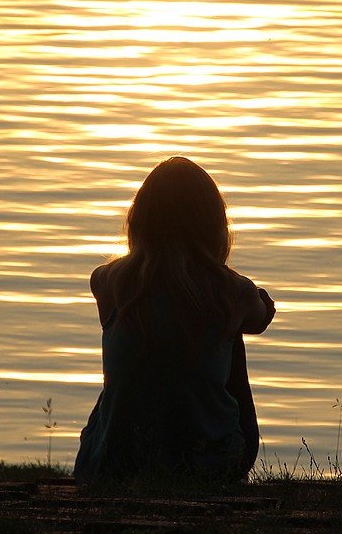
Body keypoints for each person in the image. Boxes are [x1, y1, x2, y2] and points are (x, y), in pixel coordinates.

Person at [73, 156, 276, 484]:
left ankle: (128, 445)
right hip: (208, 469)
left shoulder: (109, 282)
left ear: (140, 220)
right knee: (229, 328)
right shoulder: (232, 292)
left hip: (109, 466)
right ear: (213, 224)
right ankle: (213, 451)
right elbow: (261, 317)